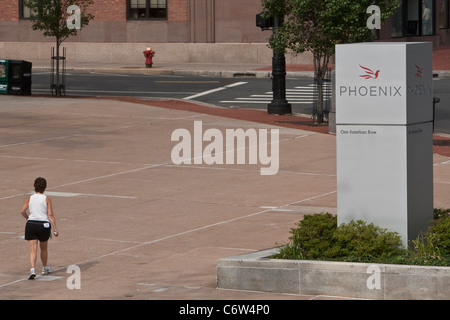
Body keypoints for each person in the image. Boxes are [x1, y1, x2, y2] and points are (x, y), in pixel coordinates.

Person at [20, 177, 59, 279]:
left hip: (31, 224)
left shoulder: (30, 198)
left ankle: (32, 269)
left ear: (34, 186)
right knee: (43, 248)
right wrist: (54, 228)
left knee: (32, 248)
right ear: (44, 187)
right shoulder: (46, 198)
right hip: (43, 225)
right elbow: (50, 214)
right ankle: (44, 268)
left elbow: (22, 211)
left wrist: (28, 218)